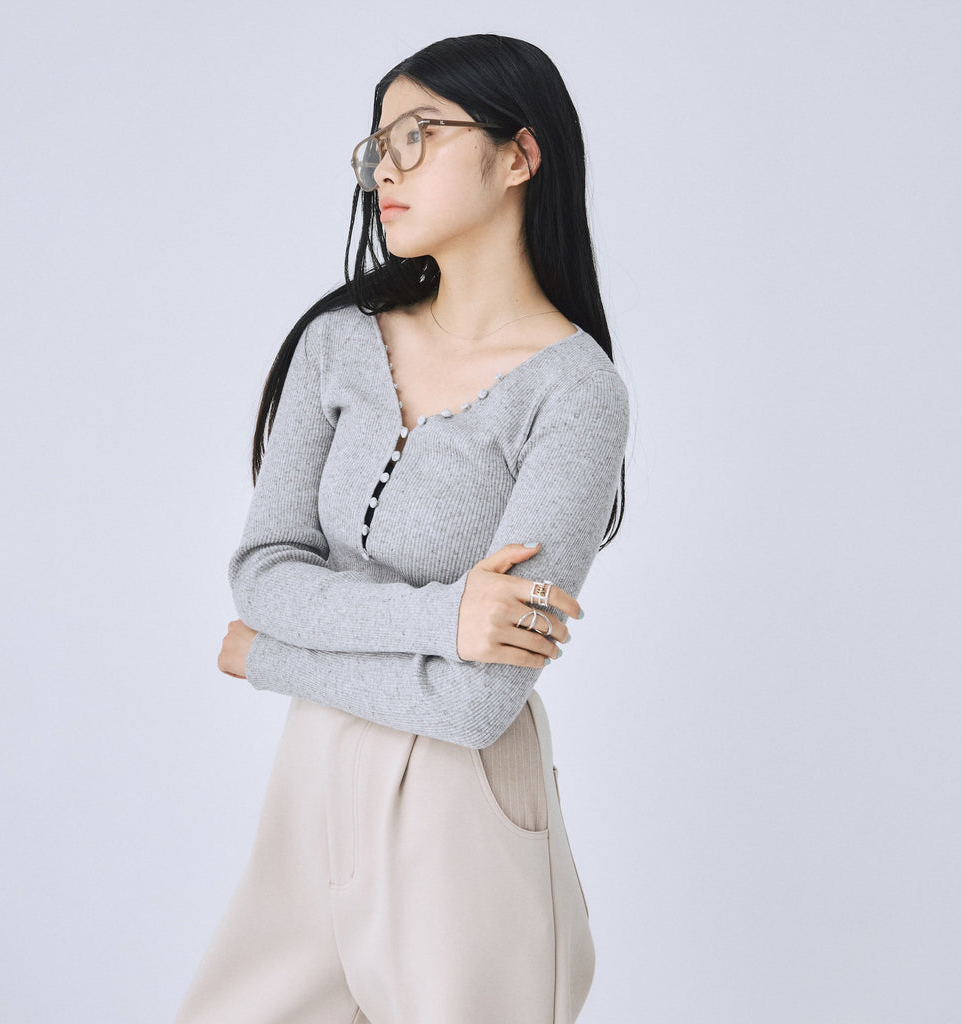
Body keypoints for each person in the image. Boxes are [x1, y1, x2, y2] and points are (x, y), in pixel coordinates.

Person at [174, 33, 629, 1024]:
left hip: (462, 814)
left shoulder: (576, 392)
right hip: (310, 785)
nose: (387, 167)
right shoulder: (336, 344)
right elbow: (263, 574)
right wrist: (445, 620)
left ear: (519, 154)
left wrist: (270, 659)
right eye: (377, 147)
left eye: (419, 135)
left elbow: (476, 705)